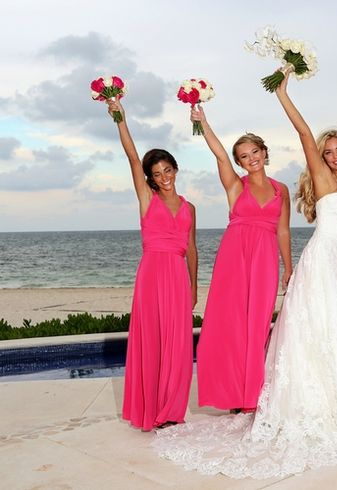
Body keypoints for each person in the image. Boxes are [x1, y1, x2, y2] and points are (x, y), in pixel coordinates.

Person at [153, 70, 337, 479]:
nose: (334, 154)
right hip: (249, 256)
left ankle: (336, 401)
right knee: (255, 327)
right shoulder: (290, 178)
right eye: (328, 149)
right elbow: (247, 149)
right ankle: (237, 394)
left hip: (330, 266)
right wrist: (208, 118)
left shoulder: (326, 189)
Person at [191, 106, 292, 414]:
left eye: (255, 152)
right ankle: (234, 395)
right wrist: (204, 123)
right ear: (239, 163)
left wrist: (289, 266)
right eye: (244, 156)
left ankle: (252, 393)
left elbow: (283, 230)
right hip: (234, 259)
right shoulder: (236, 186)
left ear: (265, 152)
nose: (252, 159)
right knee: (231, 324)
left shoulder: (281, 189)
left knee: (259, 324)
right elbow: (219, 155)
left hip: (265, 260)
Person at [107, 99, 198, 431]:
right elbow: (132, 157)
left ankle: (171, 409)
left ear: (175, 170)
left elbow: (191, 249)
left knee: (178, 343)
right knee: (153, 341)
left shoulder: (189, 208)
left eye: (168, 171)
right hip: (152, 273)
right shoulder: (148, 198)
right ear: (151, 178)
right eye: (157, 174)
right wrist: (120, 119)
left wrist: (194, 285)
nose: (164, 178)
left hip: (177, 275)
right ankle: (152, 409)